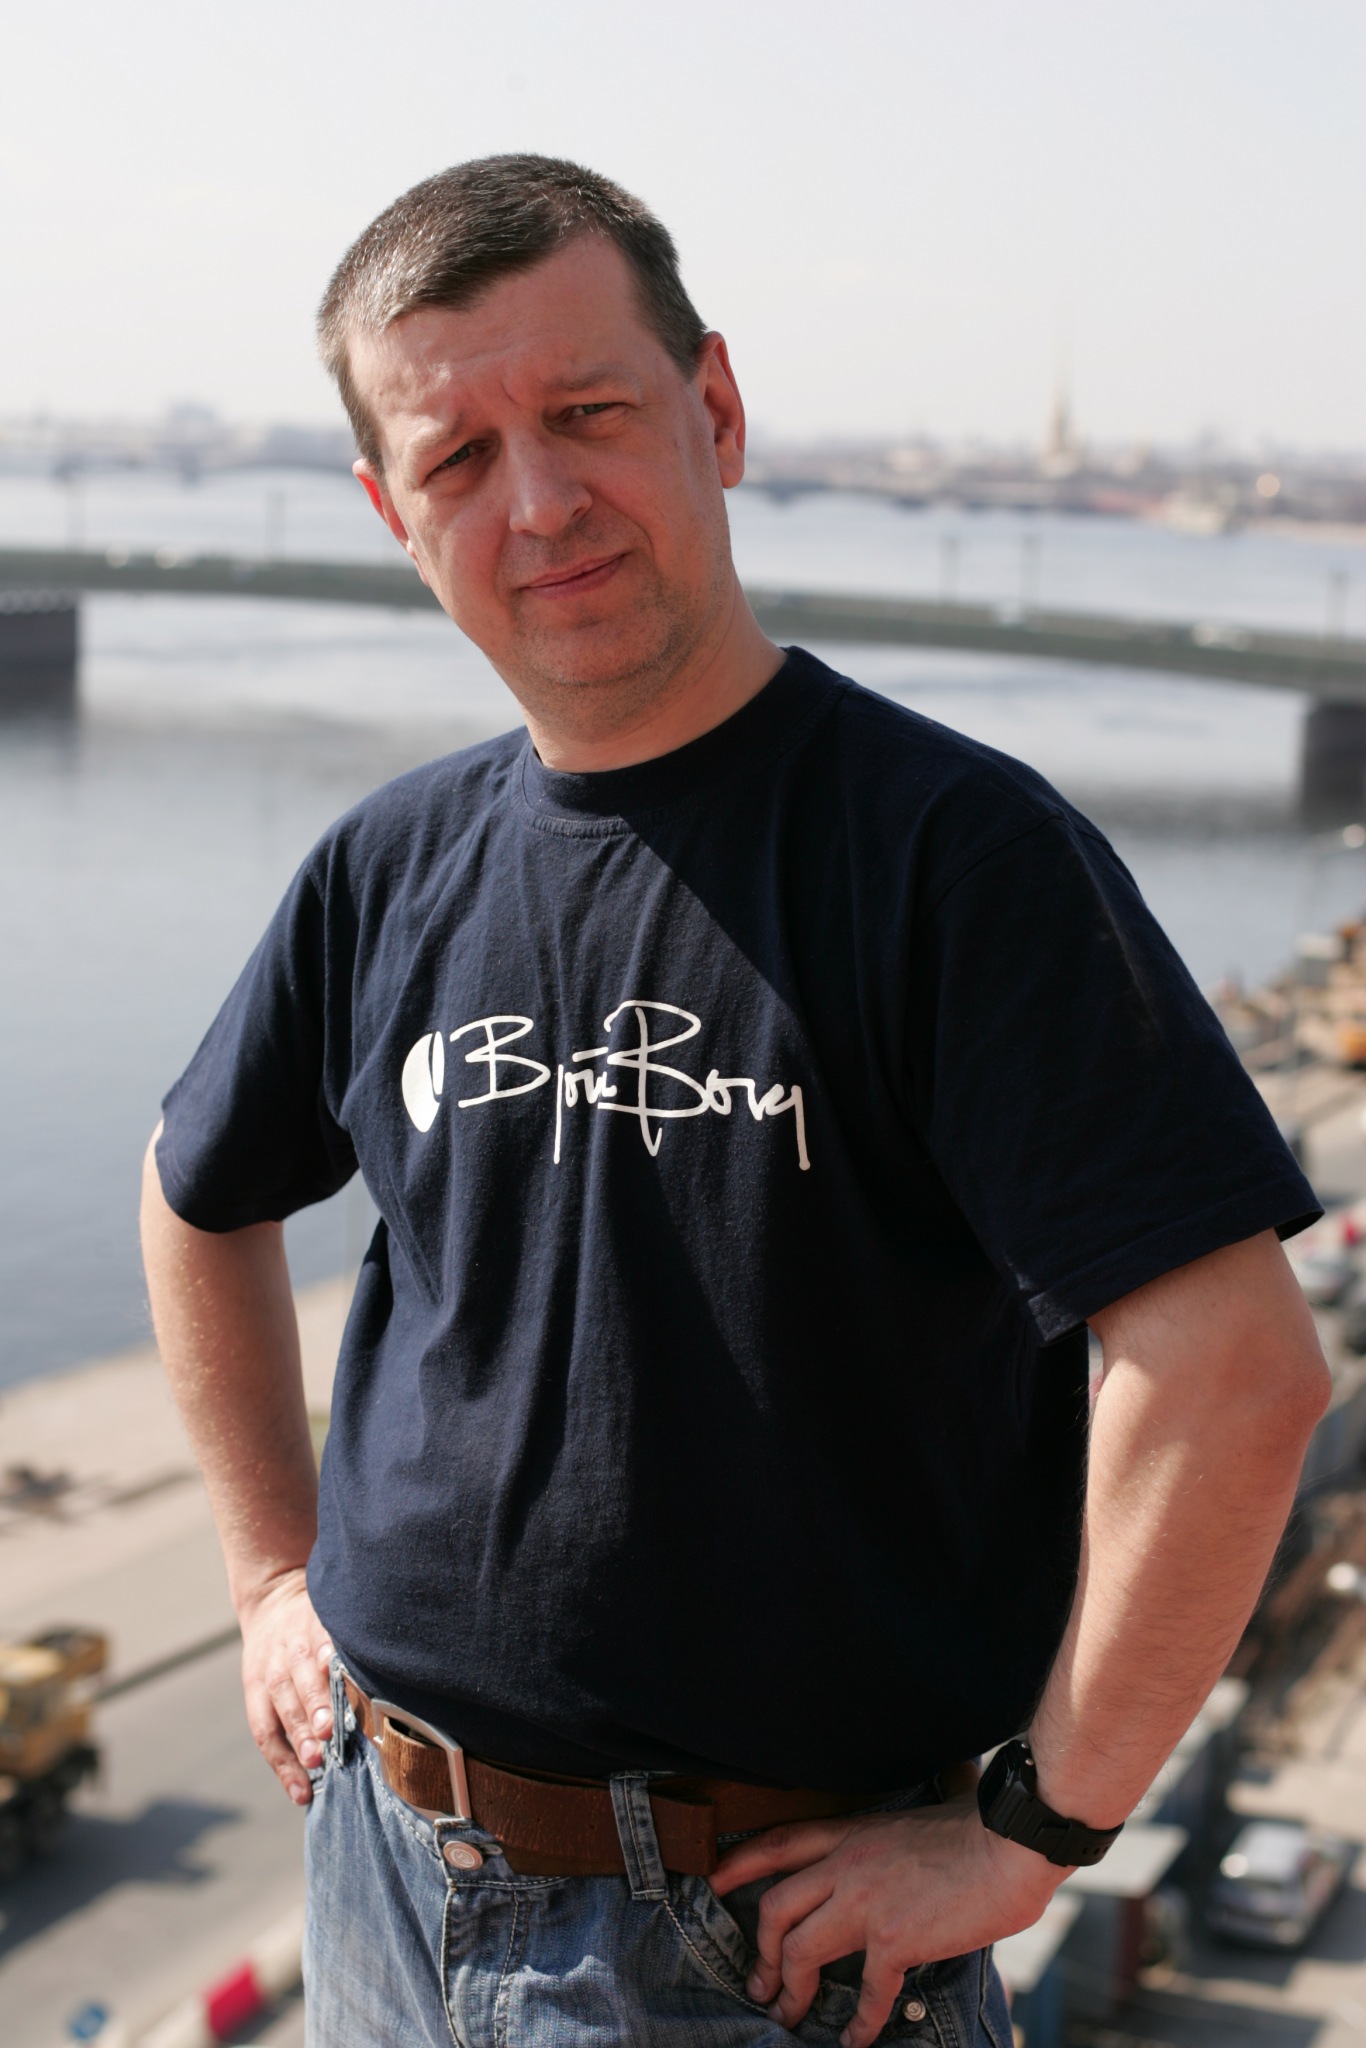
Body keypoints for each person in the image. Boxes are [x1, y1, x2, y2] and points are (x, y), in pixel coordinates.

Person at [141, 154, 1329, 2048]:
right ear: (390, 514)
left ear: (714, 409)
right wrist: (267, 1570)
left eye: (589, 414)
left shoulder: (954, 860)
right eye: (458, 458)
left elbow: (1232, 1374)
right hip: (378, 1874)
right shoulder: (392, 863)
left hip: (745, 1954)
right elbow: (194, 1194)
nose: (539, 502)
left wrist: (1032, 1831)